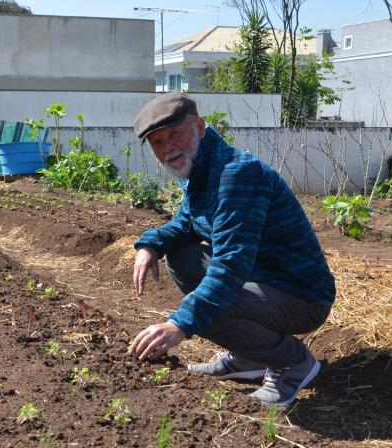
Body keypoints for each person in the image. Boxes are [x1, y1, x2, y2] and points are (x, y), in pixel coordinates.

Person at [127, 93, 335, 407]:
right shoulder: (199, 168)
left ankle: (292, 362)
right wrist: (150, 244)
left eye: (174, 134)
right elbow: (187, 223)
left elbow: (230, 267)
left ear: (199, 127)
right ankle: (248, 357)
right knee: (181, 256)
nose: (167, 147)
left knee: (208, 306)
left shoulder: (236, 175)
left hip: (301, 295)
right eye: (157, 142)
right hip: (261, 280)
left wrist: (180, 324)